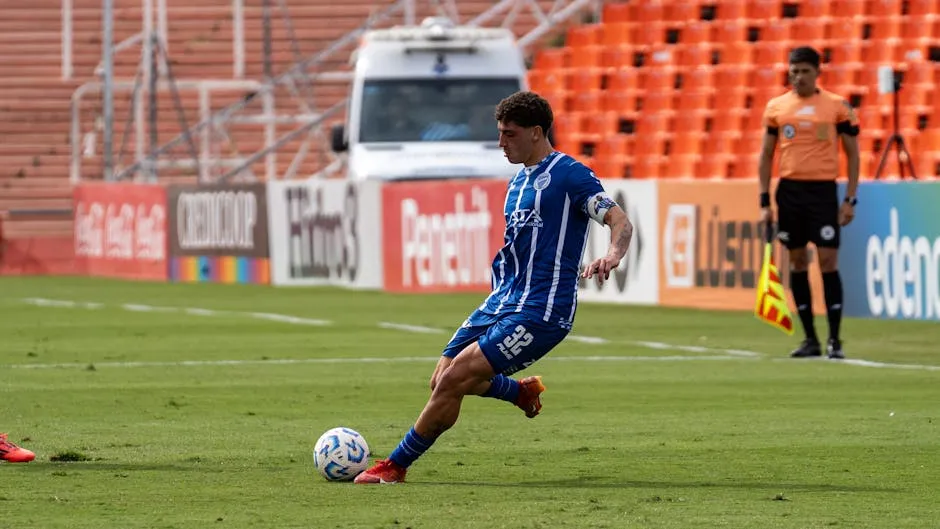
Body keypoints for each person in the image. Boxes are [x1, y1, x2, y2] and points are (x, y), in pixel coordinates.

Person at [354, 91, 634, 484]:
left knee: (455, 381)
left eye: (509, 134)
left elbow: (619, 220)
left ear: (536, 132)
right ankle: (519, 393)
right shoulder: (518, 181)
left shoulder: (572, 176)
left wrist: (614, 254)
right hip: (501, 300)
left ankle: (394, 466)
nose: (501, 143)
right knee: (441, 378)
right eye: (500, 134)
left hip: (542, 310)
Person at [758, 46, 860, 360]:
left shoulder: (837, 106)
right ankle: (810, 339)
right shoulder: (776, 108)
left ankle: (835, 340)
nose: (798, 76)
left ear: (817, 72)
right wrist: (765, 202)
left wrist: (850, 199)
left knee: (828, 262)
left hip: (822, 193)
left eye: (804, 70)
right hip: (789, 193)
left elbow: (853, 154)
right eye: (794, 70)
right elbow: (766, 156)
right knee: (799, 262)